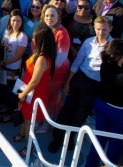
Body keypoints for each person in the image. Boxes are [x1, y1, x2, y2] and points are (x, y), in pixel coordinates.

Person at [48, 16, 112, 153]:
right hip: (80, 79)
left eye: (104, 30)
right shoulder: (88, 42)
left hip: (96, 85)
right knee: (66, 111)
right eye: (98, 29)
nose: (101, 32)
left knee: (80, 115)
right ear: (94, 29)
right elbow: (77, 62)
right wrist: (68, 82)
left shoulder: (114, 46)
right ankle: (57, 139)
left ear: (110, 29)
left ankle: (70, 138)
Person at [85, 40, 123, 167]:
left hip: (102, 106)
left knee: (99, 138)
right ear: (118, 56)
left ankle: (90, 166)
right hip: (121, 114)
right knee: (116, 142)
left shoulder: (106, 64)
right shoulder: (122, 77)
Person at [11, 24, 56, 157]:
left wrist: (22, 95)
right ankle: (21, 134)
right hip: (28, 92)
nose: (32, 40)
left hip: (34, 95)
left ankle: (28, 147)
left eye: (35, 38)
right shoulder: (39, 54)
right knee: (25, 118)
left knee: (29, 123)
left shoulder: (42, 58)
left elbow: (35, 82)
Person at [0, 9, 28, 123]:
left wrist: (3, 62)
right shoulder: (7, 31)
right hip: (4, 66)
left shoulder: (22, 36)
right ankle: (6, 108)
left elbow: (18, 56)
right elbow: (1, 46)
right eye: (14, 20)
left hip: (13, 69)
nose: (16, 23)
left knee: (12, 93)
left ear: (22, 22)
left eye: (18, 21)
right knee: (5, 90)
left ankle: (10, 114)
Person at [41, 4, 70, 122]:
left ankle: (48, 123)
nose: (49, 18)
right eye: (47, 15)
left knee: (52, 96)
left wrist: (49, 73)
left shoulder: (62, 33)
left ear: (58, 16)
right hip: (44, 68)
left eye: (52, 15)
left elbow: (61, 57)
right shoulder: (44, 29)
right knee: (45, 94)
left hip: (56, 71)